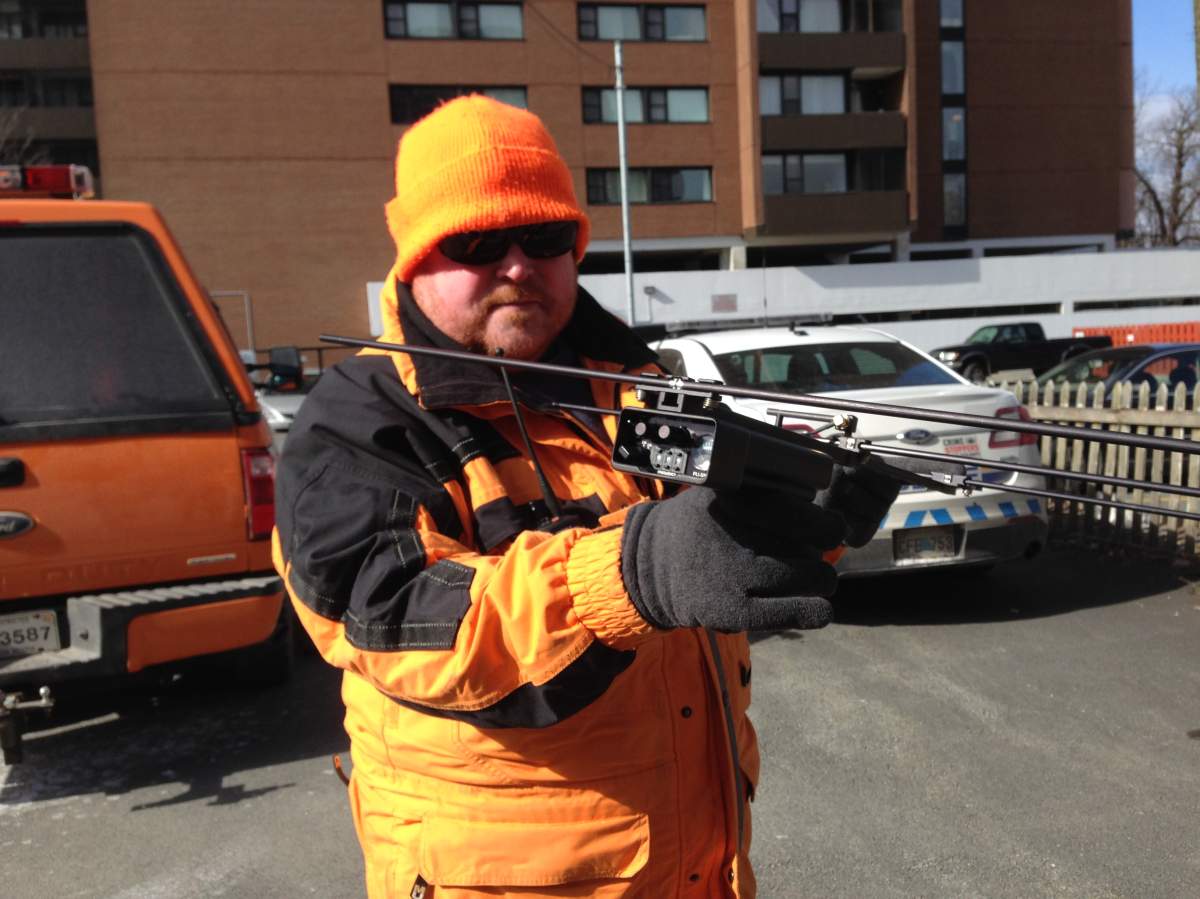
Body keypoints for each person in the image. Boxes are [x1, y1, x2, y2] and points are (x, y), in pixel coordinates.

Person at [273, 95, 898, 898]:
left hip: (697, 867)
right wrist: (631, 574)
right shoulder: (357, 423)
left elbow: (720, 551)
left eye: (545, 236)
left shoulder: (636, 388)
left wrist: (817, 517)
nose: (518, 264)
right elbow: (402, 621)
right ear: (415, 259)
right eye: (476, 240)